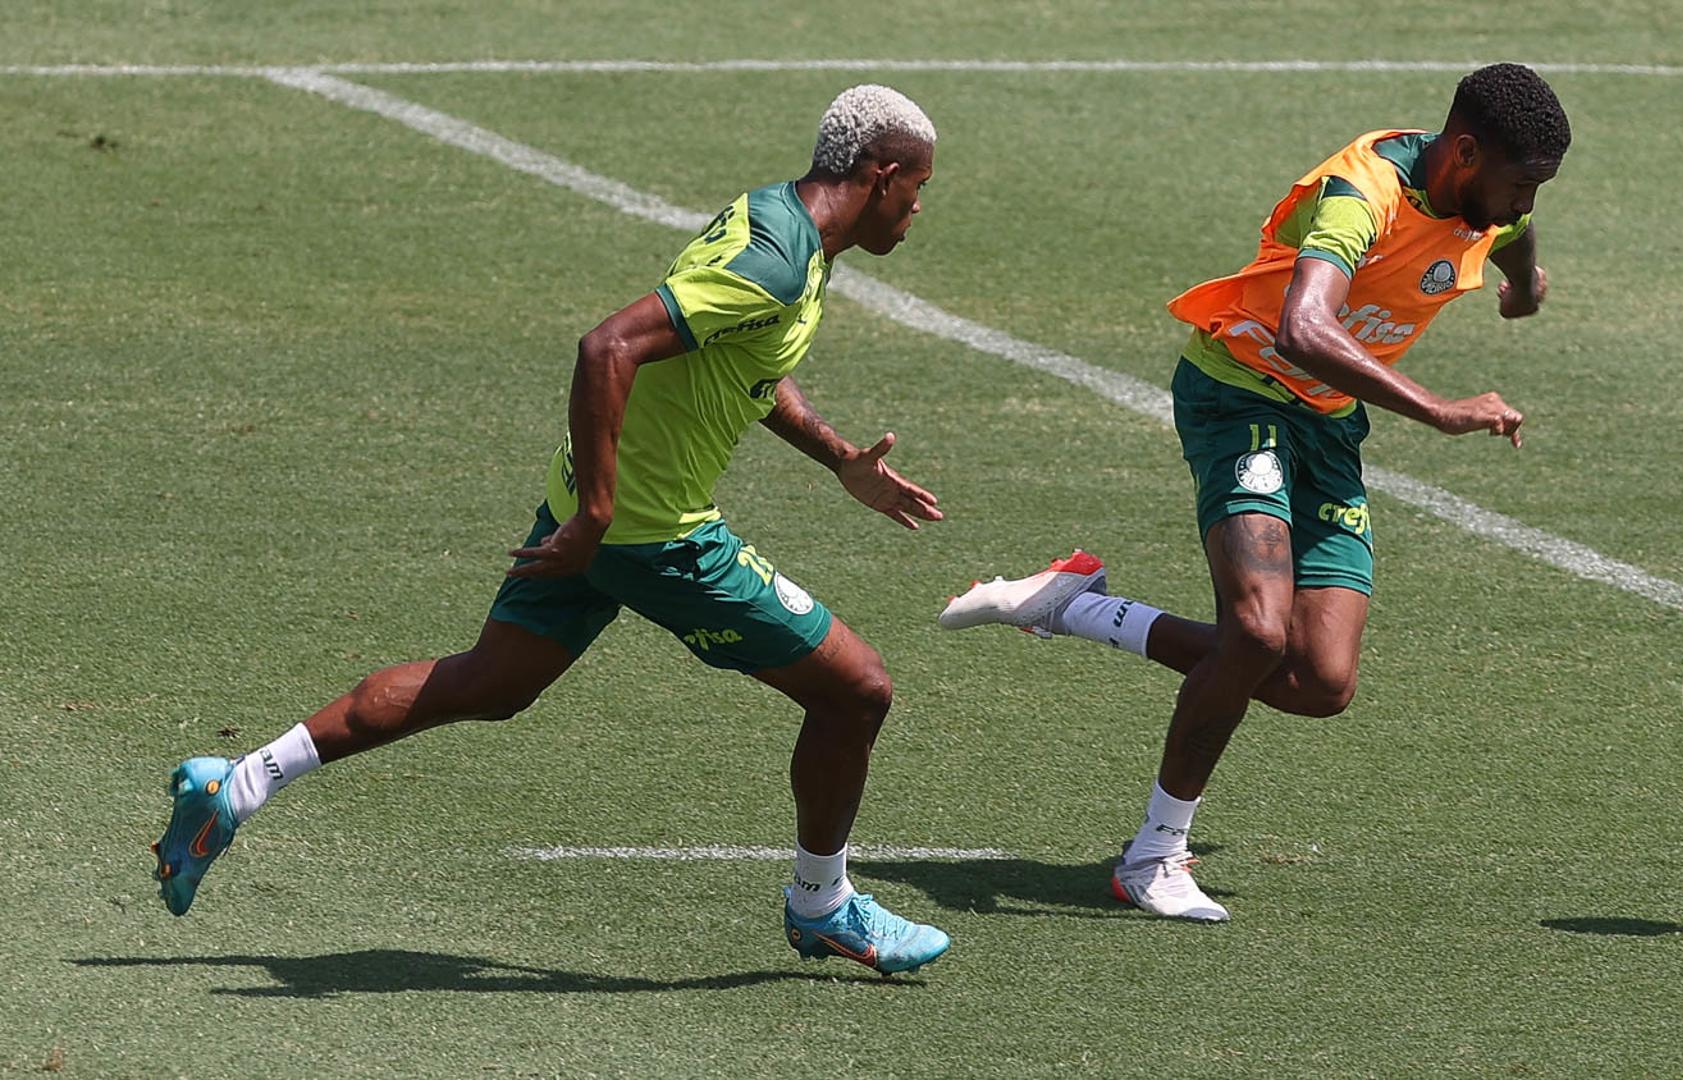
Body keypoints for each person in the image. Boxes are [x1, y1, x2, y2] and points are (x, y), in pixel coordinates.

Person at [154, 85, 952, 974]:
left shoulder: (778, 222)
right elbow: (606, 347)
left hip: (589, 509)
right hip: (653, 534)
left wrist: (838, 456)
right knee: (857, 691)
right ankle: (823, 905)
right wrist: (605, 519)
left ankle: (239, 784)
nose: (918, 210)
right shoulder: (775, 260)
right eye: (917, 189)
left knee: (491, 683)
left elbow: (740, 363)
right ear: (880, 178)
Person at [940, 63, 1571, 922]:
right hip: (1240, 392)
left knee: (1319, 682)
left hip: (1327, 423)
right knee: (1256, 631)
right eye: (1519, 183)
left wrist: (1524, 284)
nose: (1524, 203)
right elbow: (1302, 329)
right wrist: (1438, 409)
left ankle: (1073, 606)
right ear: (1464, 153)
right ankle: (1153, 854)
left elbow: (1511, 232)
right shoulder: (1363, 194)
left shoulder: (1484, 198)